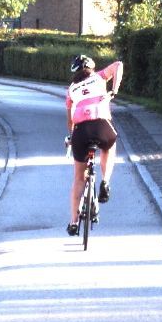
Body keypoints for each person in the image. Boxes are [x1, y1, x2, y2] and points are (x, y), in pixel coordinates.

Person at [64, 54, 123, 235]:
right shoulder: (99, 77)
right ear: (91, 68)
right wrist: (114, 90)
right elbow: (118, 65)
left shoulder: (71, 89)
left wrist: (71, 137)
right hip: (101, 125)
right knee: (109, 146)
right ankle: (105, 181)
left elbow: (70, 121)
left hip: (81, 132)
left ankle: (73, 222)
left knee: (78, 178)